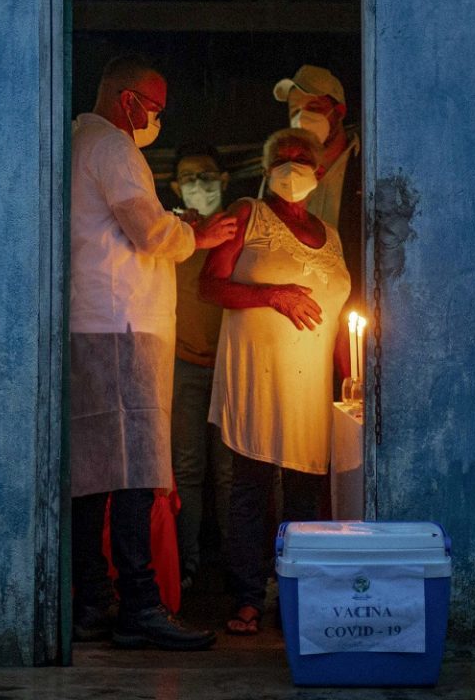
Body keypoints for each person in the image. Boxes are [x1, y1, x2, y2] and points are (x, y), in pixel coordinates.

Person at [68, 55, 237, 651]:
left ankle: (91, 600)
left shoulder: (76, 141)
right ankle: (140, 605)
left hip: (91, 323)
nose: (157, 120)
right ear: (129, 101)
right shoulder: (115, 147)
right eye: (156, 109)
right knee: (137, 469)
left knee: (90, 473)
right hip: (124, 326)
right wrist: (200, 234)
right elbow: (149, 231)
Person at [200, 128, 352, 635]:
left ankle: (298, 596)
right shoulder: (249, 214)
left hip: (311, 384)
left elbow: (335, 316)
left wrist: (349, 377)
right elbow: (210, 284)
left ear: (320, 170)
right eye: (279, 159)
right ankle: (246, 596)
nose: (290, 166)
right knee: (251, 485)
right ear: (266, 172)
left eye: (301, 157)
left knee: (306, 492)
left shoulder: (332, 235)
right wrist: (273, 295)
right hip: (258, 375)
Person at [167, 143, 234, 590]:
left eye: (207, 175)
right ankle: (185, 566)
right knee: (187, 469)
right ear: (174, 187)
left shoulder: (241, 228)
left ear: (224, 181)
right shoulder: (170, 232)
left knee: (231, 473)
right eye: (189, 178)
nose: (199, 185)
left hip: (233, 366)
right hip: (183, 363)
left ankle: (238, 566)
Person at [273, 64, 362, 321]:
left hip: (351, 313)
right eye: (295, 111)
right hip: (297, 314)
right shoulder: (282, 172)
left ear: (339, 111)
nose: (302, 119)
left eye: (313, 109)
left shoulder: (367, 166)